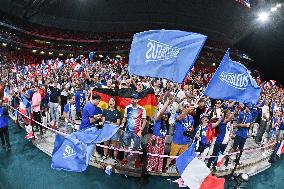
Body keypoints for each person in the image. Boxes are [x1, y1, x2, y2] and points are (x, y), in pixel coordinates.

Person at [165, 101, 195, 171]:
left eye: (188, 107)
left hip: (186, 141)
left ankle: (178, 167)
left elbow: (192, 126)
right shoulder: (177, 114)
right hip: (177, 140)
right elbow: (179, 119)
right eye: (185, 107)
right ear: (182, 108)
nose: (187, 108)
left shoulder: (191, 117)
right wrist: (186, 111)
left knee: (181, 157)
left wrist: (191, 129)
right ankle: (166, 166)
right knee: (172, 156)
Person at [146, 97, 172, 173]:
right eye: (165, 115)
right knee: (153, 154)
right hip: (155, 139)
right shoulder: (157, 120)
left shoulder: (167, 124)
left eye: (167, 115)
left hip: (162, 141)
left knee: (159, 155)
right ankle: (150, 167)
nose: (166, 116)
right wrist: (167, 103)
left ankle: (158, 168)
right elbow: (161, 113)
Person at [120, 93, 147, 168]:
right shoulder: (127, 108)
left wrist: (140, 130)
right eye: (131, 98)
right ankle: (125, 159)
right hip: (127, 131)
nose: (132, 100)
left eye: (134, 98)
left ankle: (136, 161)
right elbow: (125, 118)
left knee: (136, 147)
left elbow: (144, 121)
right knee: (126, 146)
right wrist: (123, 123)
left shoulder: (142, 109)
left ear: (138, 100)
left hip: (137, 132)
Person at [101, 97, 121, 163]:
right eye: (109, 101)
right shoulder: (105, 111)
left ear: (115, 103)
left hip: (114, 131)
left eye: (112, 101)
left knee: (115, 145)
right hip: (106, 130)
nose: (111, 102)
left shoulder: (117, 112)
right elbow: (103, 121)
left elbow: (118, 123)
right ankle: (105, 155)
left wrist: (112, 123)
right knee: (105, 144)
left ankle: (115, 158)